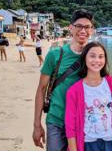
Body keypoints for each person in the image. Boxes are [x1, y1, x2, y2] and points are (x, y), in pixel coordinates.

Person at [32, 9, 95, 151]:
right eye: (79, 26)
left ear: (92, 30)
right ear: (71, 28)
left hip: (84, 123)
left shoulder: (95, 58)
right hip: (57, 120)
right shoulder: (55, 55)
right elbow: (41, 89)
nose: (83, 30)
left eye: (87, 27)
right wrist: (37, 124)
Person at [65, 41, 112, 151]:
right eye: (92, 56)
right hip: (87, 143)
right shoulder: (74, 91)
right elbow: (70, 126)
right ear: (84, 58)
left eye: (101, 56)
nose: (97, 60)